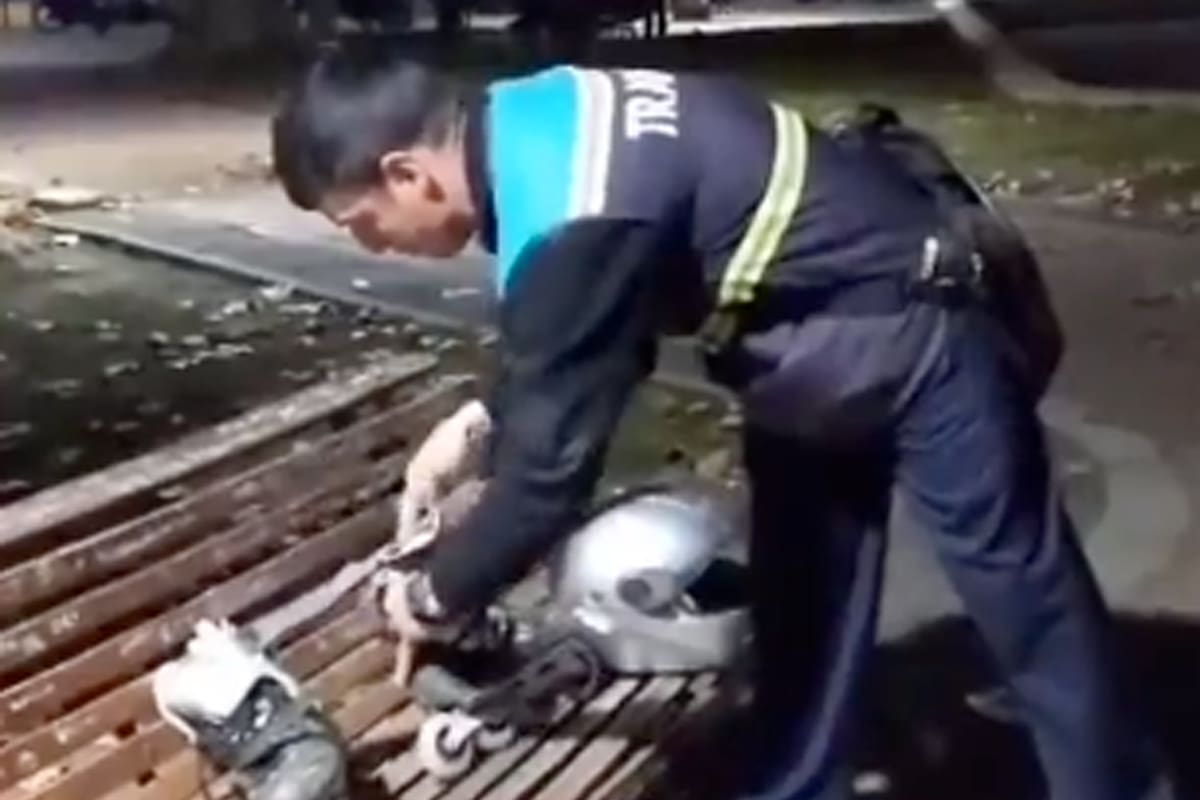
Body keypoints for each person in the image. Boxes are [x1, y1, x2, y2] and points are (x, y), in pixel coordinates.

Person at [270, 44, 1175, 800]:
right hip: (805, 348)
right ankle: (796, 783)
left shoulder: (574, 212)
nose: (370, 244)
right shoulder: (528, 115)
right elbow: (586, 339)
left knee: (1024, 598)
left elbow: (550, 475)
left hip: (919, 323)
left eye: (364, 222)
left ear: (408, 174)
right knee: (803, 604)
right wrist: (474, 422)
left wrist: (433, 595)